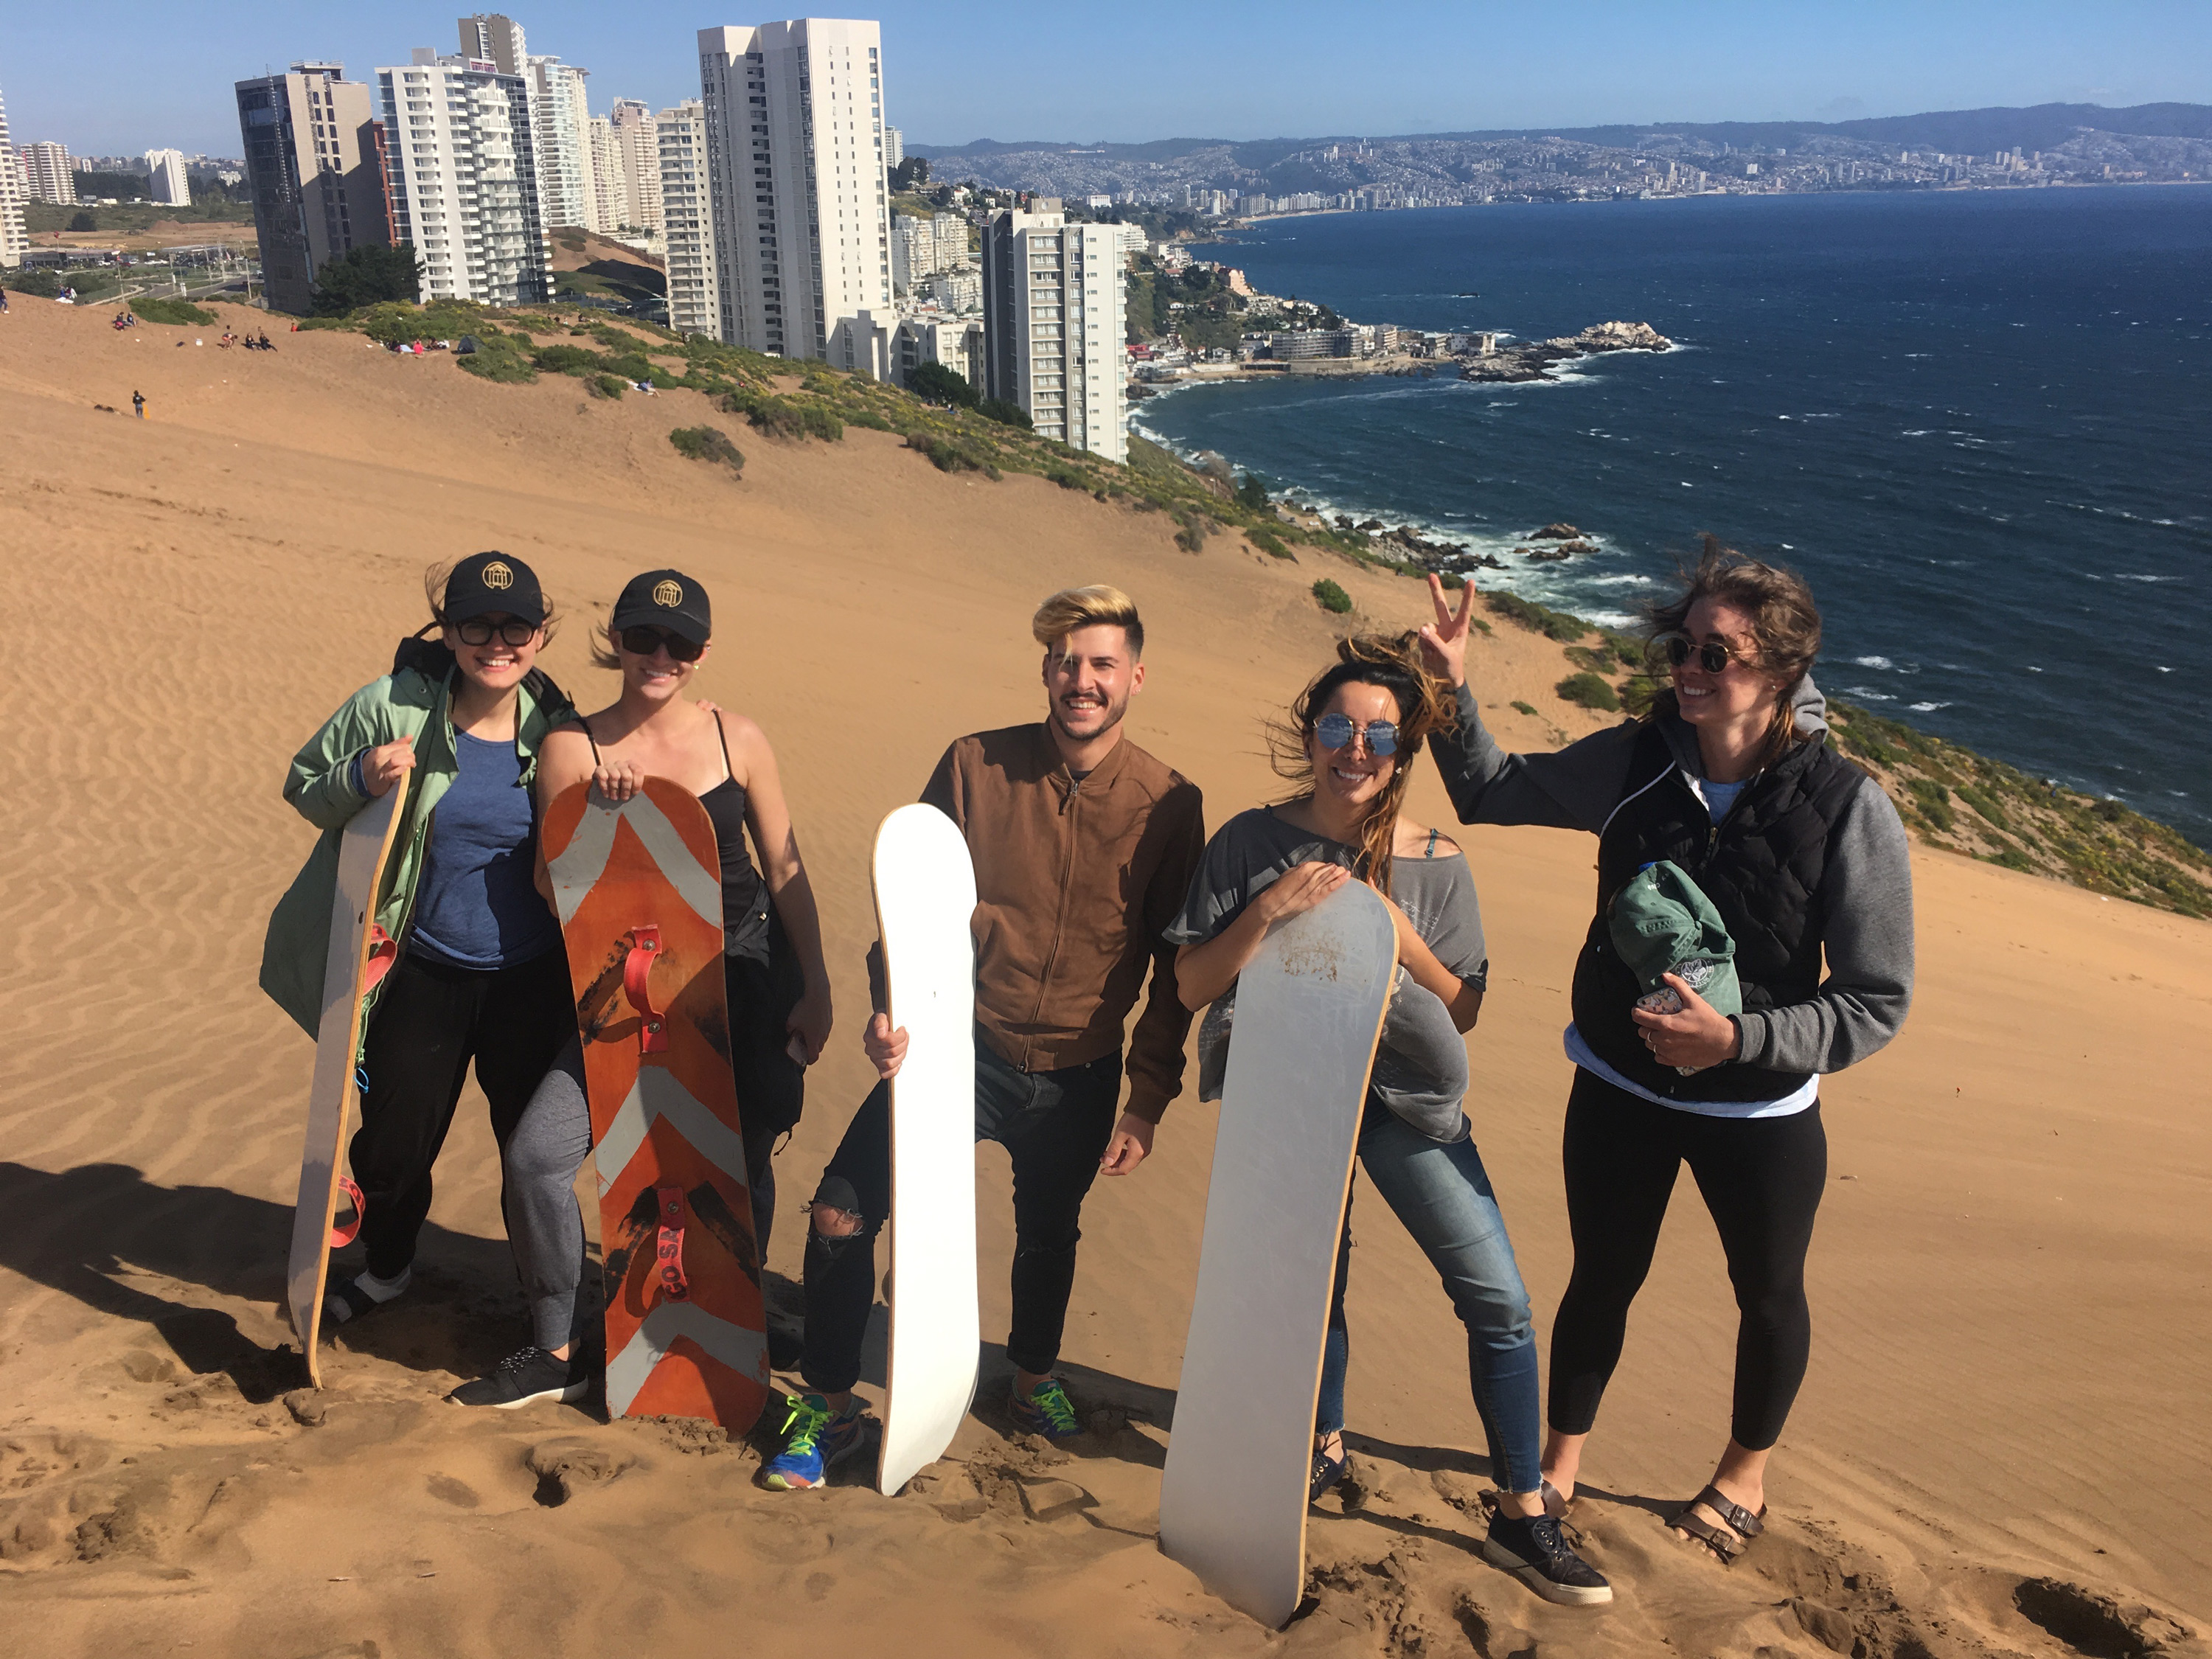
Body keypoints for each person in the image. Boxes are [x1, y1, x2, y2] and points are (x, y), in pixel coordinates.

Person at [1416, 542, 1914, 1564]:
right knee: (1601, 1277)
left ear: (1780, 671)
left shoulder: (1847, 806)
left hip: (1760, 1109)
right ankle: (1557, 1463)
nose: (1688, 670)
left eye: (1716, 654)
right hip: (1617, 1082)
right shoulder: (1635, 761)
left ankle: (1743, 1479)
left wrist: (1740, 1038)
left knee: (1769, 1293)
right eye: (1681, 648)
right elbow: (1491, 789)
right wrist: (1450, 692)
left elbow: (1875, 999)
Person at [1166, 634, 1612, 1609]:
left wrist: (1399, 937)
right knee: (1311, 1292)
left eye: (1379, 732)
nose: (1355, 748)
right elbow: (1194, 982)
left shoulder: (1440, 862)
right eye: (1338, 726)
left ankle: (1522, 1508)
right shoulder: (1251, 841)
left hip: (1406, 1100)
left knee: (1497, 1296)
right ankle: (1318, 1448)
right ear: (1310, 732)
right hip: (1289, 1090)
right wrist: (1269, 911)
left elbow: (1465, 1009)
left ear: (1405, 746)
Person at [760, 585, 1205, 1489]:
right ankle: (831, 1406)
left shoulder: (1168, 803)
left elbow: (1176, 968)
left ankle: (1031, 1381)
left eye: (1103, 665)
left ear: (1136, 679)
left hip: (1081, 1072)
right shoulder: (975, 766)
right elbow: (909, 910)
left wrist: (1148, 1097)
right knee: (843, 1211)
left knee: (1050, 1236)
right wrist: (893, 1010)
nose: (1083, 681)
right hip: (959, 1055)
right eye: (1068, 662)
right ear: (1046, 670)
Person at [448, 571, 838, 1410]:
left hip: (742, 975)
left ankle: (735, 1317)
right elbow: (557, 892)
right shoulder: (572, 748)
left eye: (680, 644)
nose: (660, 657)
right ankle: (555, 1345)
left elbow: (784, 871)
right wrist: (599, 818)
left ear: (702, 653)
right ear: (616, 641)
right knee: (538, 1156)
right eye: (643, 639)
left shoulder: (741, 740)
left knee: (741, 1161)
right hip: (621, 996)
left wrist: (817, 985)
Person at [260, 553, 582, 1371]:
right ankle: (391, 1266)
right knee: (392, 1147)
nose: (495, 642)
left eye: (515, 627)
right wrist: (359, 775)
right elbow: (304, 785)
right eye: (476, 624)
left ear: (540, 636)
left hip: (530, 976)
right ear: (448, 629)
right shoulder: (392, 704)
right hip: (422, 968)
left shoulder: (564, 731)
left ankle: (547, 1308)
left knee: (531, 1154)